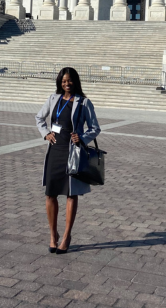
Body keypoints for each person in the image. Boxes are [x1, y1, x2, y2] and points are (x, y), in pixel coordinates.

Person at [35, 68, 101, 255]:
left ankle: (66, 236)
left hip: (73, 153)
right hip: (55, 150)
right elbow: (39, 117)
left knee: (71, 194)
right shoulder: (53, 99)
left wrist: (82, 138)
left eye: (70, 81)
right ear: (60, 82)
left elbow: (95, 128)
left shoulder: (84, 102)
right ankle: (52, 235)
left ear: (75, 81)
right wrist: (45, 133)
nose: (67, 84)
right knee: (50, 194)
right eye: (64, 81)